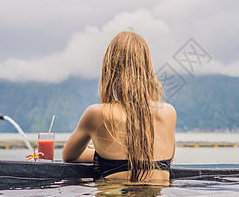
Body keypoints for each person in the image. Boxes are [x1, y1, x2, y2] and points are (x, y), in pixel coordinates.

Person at [62, 31, 176, 181]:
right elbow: (163, 159)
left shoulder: (97, 114)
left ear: (109, 70)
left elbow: (69, 156)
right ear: (147, 69)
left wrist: (99, 153)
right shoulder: (168, 112)